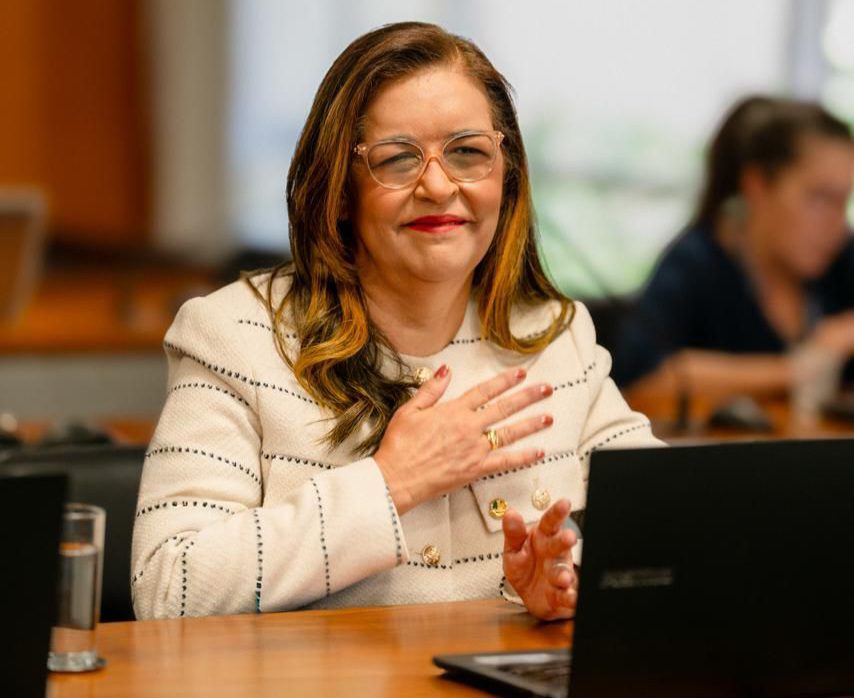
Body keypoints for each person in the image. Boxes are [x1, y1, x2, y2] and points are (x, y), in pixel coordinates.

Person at [131, 22, 658, 622]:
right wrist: (389, 484)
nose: (438, 185)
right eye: (398, 158)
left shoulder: (554, 336)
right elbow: (168, 589)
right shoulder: (233, 336)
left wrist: (568, 578)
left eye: (468, 152)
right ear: (340, 187)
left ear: (505, 173)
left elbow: (664, 526)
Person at [613, 96, 854, 402]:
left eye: (843, 202)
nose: (837, 224)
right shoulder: (697, 262)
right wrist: (799, 368)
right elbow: (642, 377)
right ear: (756, 185)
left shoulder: (841, 257)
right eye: (820, 199)